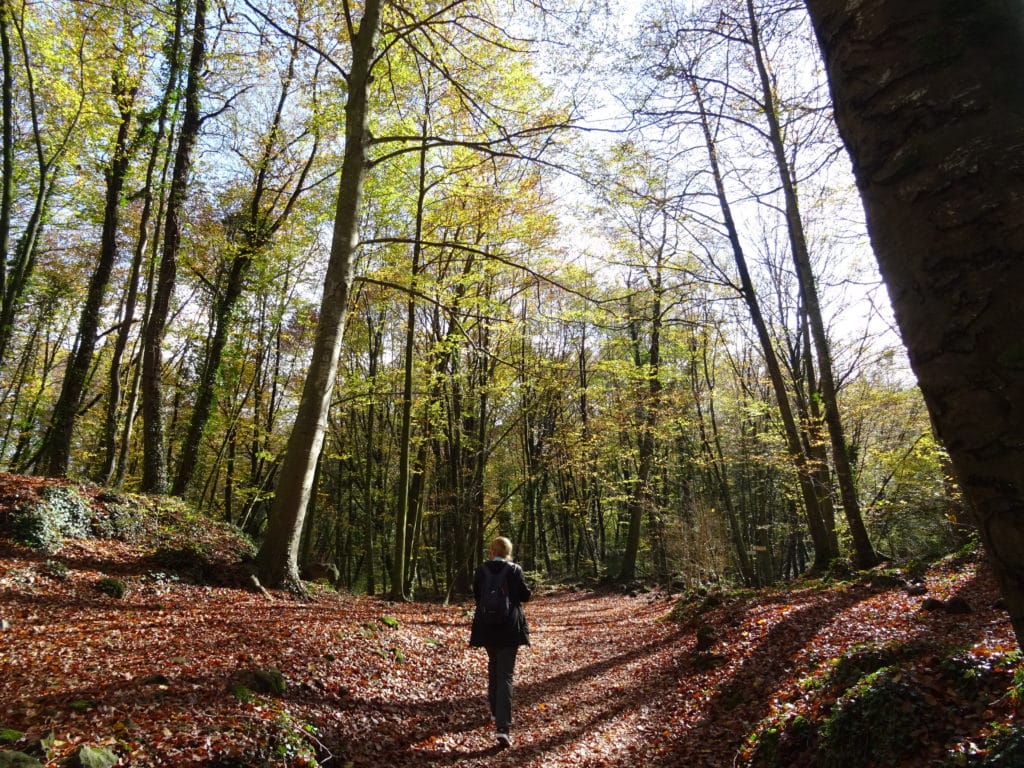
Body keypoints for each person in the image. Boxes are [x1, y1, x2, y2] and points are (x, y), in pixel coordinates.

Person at [469, 536, 532, 749]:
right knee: (505, 675)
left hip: (487, 627)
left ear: (492, 550)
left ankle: (496, 713)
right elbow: (524, 596)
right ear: (508, 551)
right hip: (509, 628)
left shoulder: (481, 570)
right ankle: (503, 728)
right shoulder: (515, 570)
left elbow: (477, 596)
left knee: (494, 667)